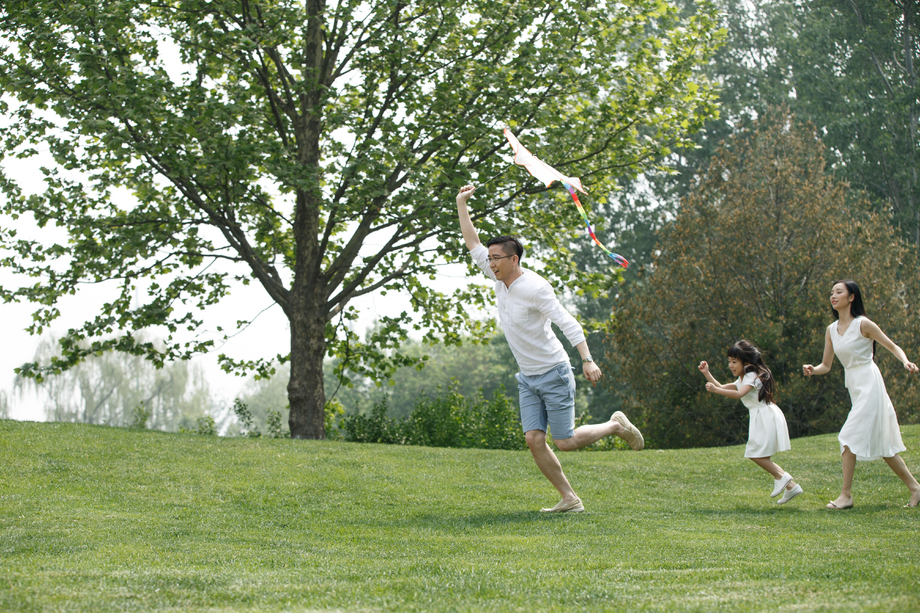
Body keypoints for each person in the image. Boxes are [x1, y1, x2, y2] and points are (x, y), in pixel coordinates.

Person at [455, 184, 643, 513]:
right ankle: (570, 498)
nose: (491, 263)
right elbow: (471, 241)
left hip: (554, 371)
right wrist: (461, 203)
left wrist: (587, 359)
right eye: (490, 258)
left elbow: (567, 321)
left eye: (496, 258)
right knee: (533, 440)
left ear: (514, 259)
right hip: (527, 376)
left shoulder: (536, 287)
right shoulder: (498, 277)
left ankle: (615, 425)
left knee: (565, 441)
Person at [803, 279, 920, 509]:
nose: (833, 296)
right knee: (884, 446)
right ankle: (916, 488)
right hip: (855, 386)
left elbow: (892, 346)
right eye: (831, 293)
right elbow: (826, 365)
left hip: (870, 384)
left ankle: (845, 496)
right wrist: (813, 370)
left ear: (851, 297)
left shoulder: (863, 324)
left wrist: (906, 361)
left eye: (839, 292)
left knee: (847, 437)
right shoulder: (831, 330)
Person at [699, 340, 802, 504]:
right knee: (758, 454)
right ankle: (791, 487)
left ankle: (782, 477)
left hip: (764, 416)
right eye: (729, 362)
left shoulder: (751, 376)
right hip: (761, 415)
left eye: (734, 362)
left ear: (745, 362)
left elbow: (739, 394)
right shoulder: (744, 377)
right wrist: (707, 374)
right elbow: (725, 387)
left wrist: (715, 390)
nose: (731, 365)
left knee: (755, 454)